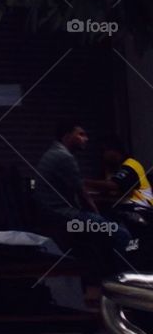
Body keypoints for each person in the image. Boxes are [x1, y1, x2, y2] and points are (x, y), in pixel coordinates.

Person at [30, 120, 136, 296]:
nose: (85, 139)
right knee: (120, 233)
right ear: (66, 136)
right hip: (67, 220)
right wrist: (98, 217)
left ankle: (103, 281)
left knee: (102, 233)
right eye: (80, 134)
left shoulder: (54, 153)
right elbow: (83, 194)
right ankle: (123, 286)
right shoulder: (63, 157)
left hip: (60, 217)